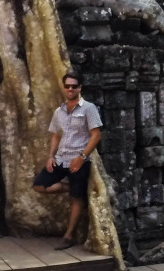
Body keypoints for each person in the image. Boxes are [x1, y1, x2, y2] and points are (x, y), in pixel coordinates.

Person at [32, 70, 102, 250]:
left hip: (79, 161)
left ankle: (69, 235)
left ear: (80, 87)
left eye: (74, 86)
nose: (70, 89)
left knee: (77, 199)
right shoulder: (59, 111)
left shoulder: (89, 108)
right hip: (61, 160)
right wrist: (50, 156)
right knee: (39, 185)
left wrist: (82, 157)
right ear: (64, 88)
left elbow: (96, 135)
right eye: (67, 86)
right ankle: (72, 188)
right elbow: (56, 134)